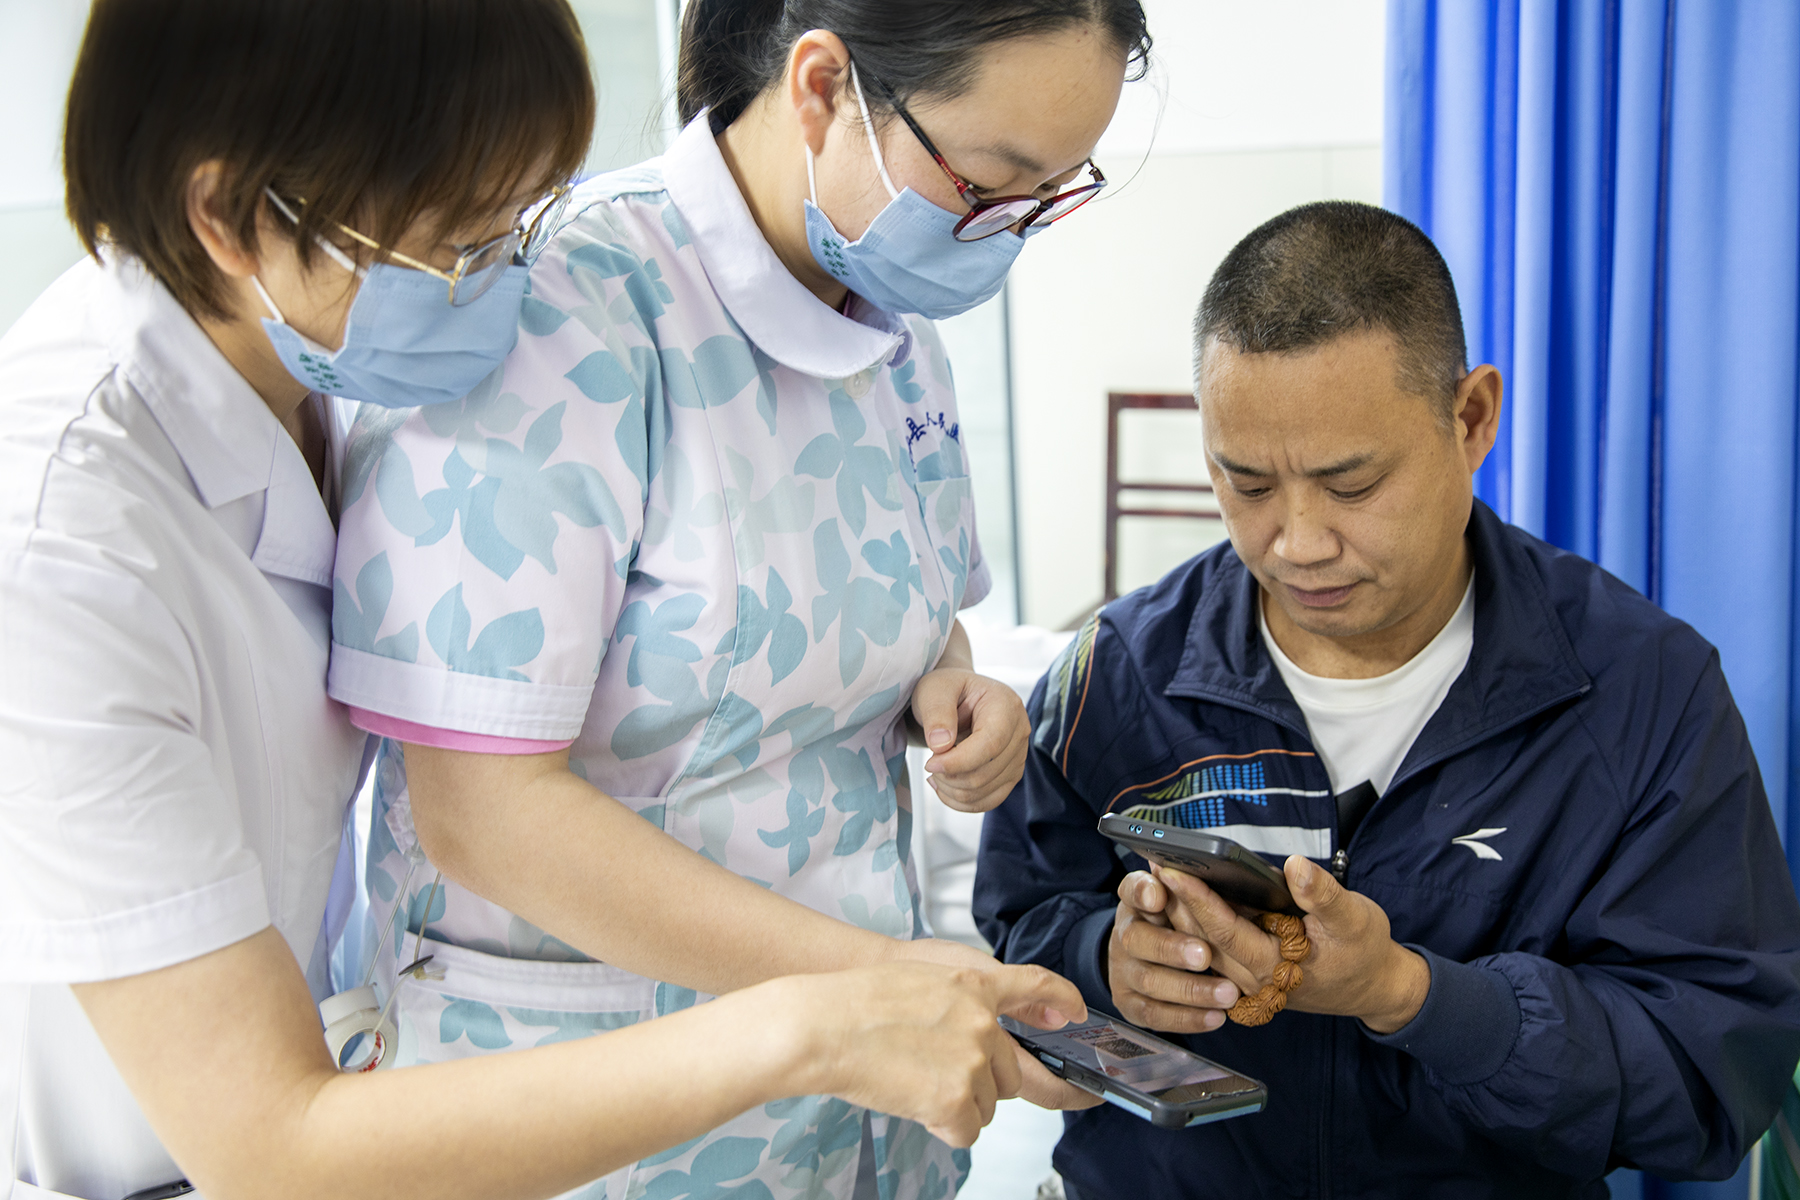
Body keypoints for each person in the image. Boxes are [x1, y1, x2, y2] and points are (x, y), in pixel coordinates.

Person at [0, 4, 1088, 1199]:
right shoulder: (63, 543)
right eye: (458, 246)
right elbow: (270, 1141)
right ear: (230, 217)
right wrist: (829, 1011)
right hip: (160, 1150)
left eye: (513, 228)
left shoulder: (326, 353)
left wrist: (931, 677)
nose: (507, 289)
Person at [322, 2, 1148, 1198]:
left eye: (1047, 197)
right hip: (594, 1084)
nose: (1003, 236)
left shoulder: (897, 330)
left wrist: (948, 685)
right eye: (988, 185)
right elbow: (481, 812)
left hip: (852, 1092)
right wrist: (878, 982)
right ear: (823, 87)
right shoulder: (562, 314)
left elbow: (894, 604)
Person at [974, 201, 1800, 1198]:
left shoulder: (1645, 691)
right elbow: (1021, 924)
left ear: (1471, 420)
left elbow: (1715, 1080)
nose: (1298, 542)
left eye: (1352, 485)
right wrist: (1108, 958)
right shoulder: (1118, 667)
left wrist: (1413, 996)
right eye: (1246, 484)